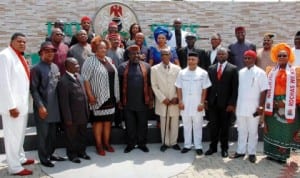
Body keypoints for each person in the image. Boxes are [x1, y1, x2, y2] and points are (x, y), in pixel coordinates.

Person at [0, 33, 34, 176]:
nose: (22, 44)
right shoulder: (5, 56)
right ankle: (14, 167)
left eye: (24, 42)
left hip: (22, 105)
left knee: (19, 135)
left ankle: (20, 157)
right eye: (19, 41)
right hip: (13, 107)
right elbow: (3, 83)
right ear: (11, 41)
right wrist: (10, 106)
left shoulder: (18, 56)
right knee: (12, 137)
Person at [81, 37, 120, 156]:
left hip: (110, 96)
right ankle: (98, 145)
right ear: (95, 49)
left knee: (108, 122)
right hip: (97, 97)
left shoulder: (109, 59)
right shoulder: (89, 61)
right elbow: (85, 79)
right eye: (100, 47)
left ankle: (106, 143)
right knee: (98, 123)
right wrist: (90, 95)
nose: (103, 49)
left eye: (104, 47)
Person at [30, 41, 66, 167]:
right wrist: (40, 106)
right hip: (43, 108)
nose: (50, 53)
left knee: (52, 134)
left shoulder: (55, 67)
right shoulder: (36, 68)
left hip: (54, 106)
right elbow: (33, 90)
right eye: (47, 51)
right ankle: (44, 158)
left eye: (52, 51)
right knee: (43, 135)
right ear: (41, 53)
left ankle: (51, 153)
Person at [263, 43, 300, 164]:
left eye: (284, 55)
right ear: (276, 57)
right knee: (272, 129)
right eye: (279, 55)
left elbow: (298, 88)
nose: (282, 57)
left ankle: (281, 156)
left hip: (288, 103)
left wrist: (285, 103)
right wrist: (271, 102)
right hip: (272, 103)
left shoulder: (296, 71)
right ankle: (271, 154)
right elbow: (266, 88)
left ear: (289, 56)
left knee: (285, 129)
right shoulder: (270, 71)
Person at [230, 50, 268, 163]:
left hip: (254, 107)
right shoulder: (240, 72)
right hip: (241, 106)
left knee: (253, 132)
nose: (247, 60)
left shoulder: (261, 72)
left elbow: (264, 90)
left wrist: (261, 106)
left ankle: (252, 152)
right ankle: (240, 151)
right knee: (241, 130)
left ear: (254, 59)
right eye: (245, 58)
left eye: (249, 58)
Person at [118, 45, 153, 153]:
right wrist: (119, 100)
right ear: (128, 55)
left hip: (143, 101)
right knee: (130, 125)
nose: (136, 55)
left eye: (137, 53)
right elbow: (119, 85)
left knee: (143, 124)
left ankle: (142, 143)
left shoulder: (147, 66)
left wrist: (151, 99)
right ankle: (131, 144)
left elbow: (150, 85)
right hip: (128, 102)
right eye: (133, 53)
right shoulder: (122, 67)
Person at [175, 52, 211, 155]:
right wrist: (180, 101)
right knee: (186, 125)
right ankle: (187, 145)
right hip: (185, 103)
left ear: (197, 60)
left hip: (197, 104)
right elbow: (179, 87)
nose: (191, 61)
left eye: (193, 59)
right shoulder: (182, 73)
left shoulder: (203, 73)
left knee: (198, 125)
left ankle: (198, 146)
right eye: (189, 59)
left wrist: (202, 103)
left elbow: (205, 89)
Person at [205, 47, 238, 158]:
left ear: (227, 55)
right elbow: (208, 86)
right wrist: (206, 100)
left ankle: (224, 148)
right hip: (213, 103)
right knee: (213, 127)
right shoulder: (211, 68)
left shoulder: (233, 69)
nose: (221, 56)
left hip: (226, 104)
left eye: (223, 54)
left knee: (225, 127)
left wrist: (232, 104)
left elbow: (235, 88)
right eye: (219, 54)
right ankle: (213, 147)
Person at [57, 57, 90, 163]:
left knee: (82, 134)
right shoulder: (63, 81)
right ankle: (72, 154)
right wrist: (67, 118)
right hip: (72, 116)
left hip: (83, 113)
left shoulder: (79, 77)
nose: (78, 66)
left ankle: (82, 152)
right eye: (75, 65)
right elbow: (64, 102)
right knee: (71, 137)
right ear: (67, 67)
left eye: (78, 64)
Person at [151, 48, 181, 152]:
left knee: (175, 123)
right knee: (164, 123)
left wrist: (177, 97)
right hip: (162, 101)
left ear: (171, 55)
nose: (165, 56)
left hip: (174, 100)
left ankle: (174, 142)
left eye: (167, 54)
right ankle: (165, 142)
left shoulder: (177, 69)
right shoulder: (154, 69)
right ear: (160, 56)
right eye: (163, 54)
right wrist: (162, 98)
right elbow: (154, 86)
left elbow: (180, 85)